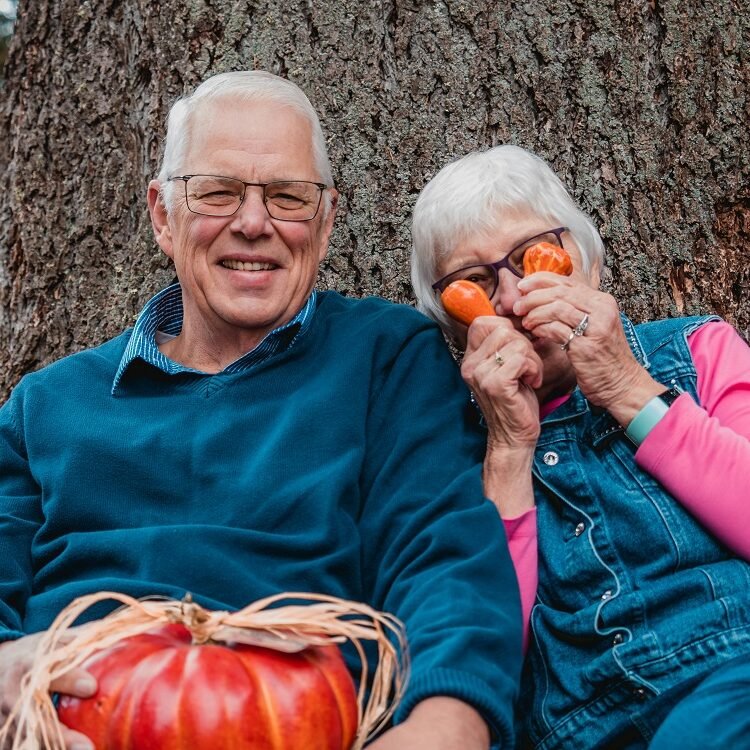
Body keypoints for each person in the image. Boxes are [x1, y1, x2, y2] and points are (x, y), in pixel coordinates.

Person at [0, 72, 523, 750]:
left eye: (287, 197)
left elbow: (443, 559)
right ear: (162, 214)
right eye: (217, 192)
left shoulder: (384, 358)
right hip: (75, 726)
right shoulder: (47, 405)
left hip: (302, 724)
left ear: (326, 221)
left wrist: (445, 723)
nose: (253, 223)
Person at [410, 144, 750, 750]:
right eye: (475, 284)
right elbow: (486, 654)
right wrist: (509, 450)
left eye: (532, 257)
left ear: (588, 265)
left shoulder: (698, 351)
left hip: (731, 676)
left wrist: (628, 389)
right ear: (455, 330)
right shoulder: (455, 452)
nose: (513, 300)